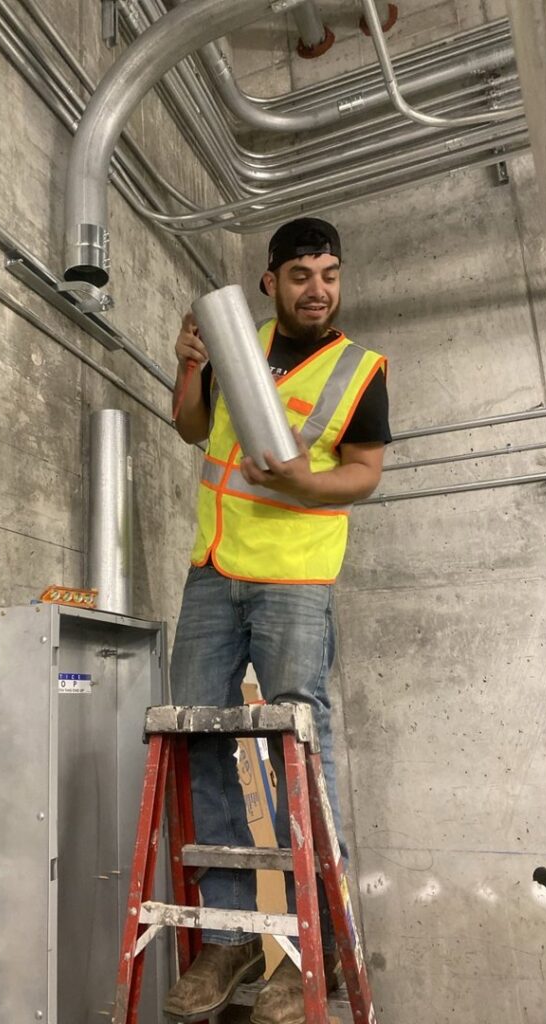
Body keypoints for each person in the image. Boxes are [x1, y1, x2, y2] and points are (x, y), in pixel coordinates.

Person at [164, 217, 391, 1024]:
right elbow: (195, 429)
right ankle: (229, 937)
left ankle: (308, 945)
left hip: (294, 578)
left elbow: (364, 473)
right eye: (301, 275)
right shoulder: (238, 343)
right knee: (198, 737)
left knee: (299, 744)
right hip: (213, 569)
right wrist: (190, 367)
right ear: (271, 282)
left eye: (329, 274)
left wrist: (303, 485)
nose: (318, 289)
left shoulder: (360, 370)